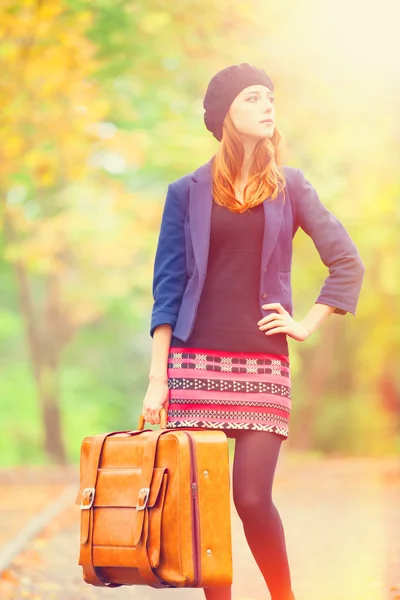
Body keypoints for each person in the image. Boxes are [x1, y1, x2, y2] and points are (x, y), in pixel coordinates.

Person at [142, 63, 365, 600]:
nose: (267, 105)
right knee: (207, 507)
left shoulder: (290, 186)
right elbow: (167, 289)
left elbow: (346, 262)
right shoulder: (185, 192)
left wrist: (306, 325)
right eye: (252, 97)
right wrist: (157, 379)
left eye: (270, 97)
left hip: (263, 365)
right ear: (225, 116)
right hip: (194, 365)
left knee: (251, 498)